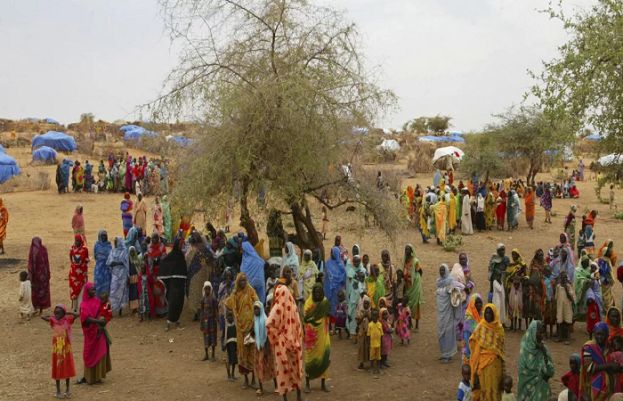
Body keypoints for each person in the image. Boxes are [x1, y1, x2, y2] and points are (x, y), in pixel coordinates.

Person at [266, 268, 305, 401]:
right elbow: (270, 323)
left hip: (289, 340)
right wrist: (279, 336)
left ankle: (292, 397)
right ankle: (295, 397)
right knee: (293, 367)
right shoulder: (284, 296)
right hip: (289, 340)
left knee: (286, 369)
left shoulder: (286, 297)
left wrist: (278, 337)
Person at [225, 272, 259, 388]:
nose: (243, 282)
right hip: (240, 329)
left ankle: (254, 379)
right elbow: (227, 304)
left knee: (252, 352)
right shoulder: (235, 294)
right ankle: (246, 379)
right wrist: (233, 295)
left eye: (245, 280)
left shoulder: (251, 291)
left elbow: (257, 303)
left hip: (251, 327)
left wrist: (255, 322)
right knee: (242, 353)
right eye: (241, 281)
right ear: (238, 282)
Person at [42, 305, 79, 399]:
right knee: (57, 367)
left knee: (67, 366)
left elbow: (77, 314)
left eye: (58, 312)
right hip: (57, 349)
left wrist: (67, 313)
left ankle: (67, 389)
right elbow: (43, 316)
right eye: (55, 312)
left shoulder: (68, 320)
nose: (56, 314)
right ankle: (58, 390)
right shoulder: (53, 320)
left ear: (63, 313)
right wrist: (53, 316)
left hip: (66, 349)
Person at [77, 283, 111, 385]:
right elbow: (85, 319)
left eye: (94, 289)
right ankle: (89, 377)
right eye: (92, 290)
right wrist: (97, 322)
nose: (94, 291)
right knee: (89, 353)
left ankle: (98, 376)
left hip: (99, 332)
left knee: (100, 352)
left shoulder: (97, 301)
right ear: (87, 292)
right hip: (90, 333)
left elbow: (103, 312)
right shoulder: (83, 305)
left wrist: (103, 322)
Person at [470, 304, 505, 401]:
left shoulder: (499, 329)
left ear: (494, 314)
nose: (488, 315)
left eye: (490, 313)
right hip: (482, 365)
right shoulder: (481, 327)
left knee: (495, 390)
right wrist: (475, 371)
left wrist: (503, 372)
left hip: (495, 366)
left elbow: (502, 351)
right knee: (484, 390)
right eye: (486, 312)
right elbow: (474, 344)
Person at [580, 322, 620, 401]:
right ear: (594, 334)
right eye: (598, 334)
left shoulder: (609, 347)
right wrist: (608, 366)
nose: (600, 337)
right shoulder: (588, 347)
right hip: (592, 386)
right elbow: (589, 368)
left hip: (609, 387)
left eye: (602, 334)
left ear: (607, 335)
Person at [303, 283, 331, 393]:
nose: (318, 294)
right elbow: (306, 318)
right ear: (313, 292)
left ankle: (323, 384)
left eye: (320, 292)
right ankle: (307, 383)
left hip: (323, 335)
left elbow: (327, 314)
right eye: (316, 292)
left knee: (324, 356)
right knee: (309, 358)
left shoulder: (324, 302)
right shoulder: (309, 303)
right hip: (311, 336)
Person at [517, 320, 554, 401]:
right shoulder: (524, 349)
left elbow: (551, 372)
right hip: (527, 390)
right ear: (533, 332)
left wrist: (544, 354)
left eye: (543, 333)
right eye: (540, 333)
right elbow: (522, 373)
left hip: (540, 389)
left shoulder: (544, 349)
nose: (542, 336)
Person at [159, 236, 188, 330]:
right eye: (179, 244)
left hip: (180, 283)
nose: (181, 246)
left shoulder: (181, 255)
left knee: (180, 301)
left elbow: (183, 268)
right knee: (173, 301)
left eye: (181, 244)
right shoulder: (171, 255)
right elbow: (164, 263)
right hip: (173, 284)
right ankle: (169, 322)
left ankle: (176, 320)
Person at [437, 264, 461, 362]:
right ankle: (444, 353)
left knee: (448, 333)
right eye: (440, 270)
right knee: (440, 332)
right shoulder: (438, 282)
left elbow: (456, 294)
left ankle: (448, 354)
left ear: (446, 271)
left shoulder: (450, 282)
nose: (442, 272)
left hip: (448, 313)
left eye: (443, 270)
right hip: (440, 313)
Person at [252, 300, 275, 396]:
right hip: (258, 347)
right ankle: (261, 388)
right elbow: (254, 333)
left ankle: (277, 385)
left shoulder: (264, 320)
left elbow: (267, 336)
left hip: (266, 347)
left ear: (261, 309)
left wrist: (265, 349)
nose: (256, 311)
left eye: (257, 309)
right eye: (254, 309)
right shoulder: (255, 320)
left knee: (270, 366)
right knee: (259, 367)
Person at [106, 237, 129, 316]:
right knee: (113, 290)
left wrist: (116, 263)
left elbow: (126, 263)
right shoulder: (113, 251)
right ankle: (114, 308)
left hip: (123, 274)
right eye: (115, 242)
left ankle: (121, 310)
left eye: (116, 242)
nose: (115, 244)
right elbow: (109, 262)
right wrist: (112, 264)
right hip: (115, 274)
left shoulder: (125, 251)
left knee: (122, 291)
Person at [28, 237, 51, 314]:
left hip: (36, 277)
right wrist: (48, 273)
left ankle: (35, 307)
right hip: (43, 276)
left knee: (35, 292)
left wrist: (30, 276)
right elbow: (47, 262)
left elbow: (31, 265)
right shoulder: (44, 249)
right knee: (43, 292)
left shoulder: (33, 251)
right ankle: (41, 308)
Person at [324, 245, 346, 325]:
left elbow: (343, 277)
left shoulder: (341, 264)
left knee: (337, 308)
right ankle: (329, 325)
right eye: (331, 252)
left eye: (332, 252)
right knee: (329, 307)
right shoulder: (328, 263)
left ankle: (337, 325)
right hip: (328, 289)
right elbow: (326, 275)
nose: (331, 254)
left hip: (337, 290)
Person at [489, 244, 510, 325]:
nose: (503, 252)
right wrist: (491, 286)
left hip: (503, 282)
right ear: (497, 251)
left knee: (503, 303)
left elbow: (508, 270)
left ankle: (503, 321)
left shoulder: (506, 259)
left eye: (503, 250)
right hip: (495, 283)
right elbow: (491, 273)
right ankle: (495, 321)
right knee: (496, 302)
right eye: (501, 250)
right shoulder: (494, 260)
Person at [69, 235, 89, 312]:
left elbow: (86, 260)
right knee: (74, 291)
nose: (76, 242)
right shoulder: (72, 249)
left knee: (81, 291)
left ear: (81, 241)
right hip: (74, 274)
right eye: (76, 241)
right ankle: (75, 308)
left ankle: (81, 309)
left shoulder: (85, 249)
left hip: (82, 275)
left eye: (78, 241)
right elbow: (71, 260)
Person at [200, 281, 218, 361]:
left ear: (210, 289)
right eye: (206, 289)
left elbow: (215, 309)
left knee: (213, 337)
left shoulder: (213, 299)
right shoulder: (203, 299)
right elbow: (202, 310)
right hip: (205, 321)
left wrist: (216, 319)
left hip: (212, 321)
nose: (207, 290)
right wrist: (201, 322)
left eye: (208, 289)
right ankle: (206, 354)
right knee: (206, 337)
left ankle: (213, 355)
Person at [463, 293, 483, 364]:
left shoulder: (483, 314)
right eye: (476, 303)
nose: (479, 305)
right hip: (470, 346)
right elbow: (466, 336)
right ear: (472, 304)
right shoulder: (469, 317)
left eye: (480, 302)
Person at [556, 271, 575, 344]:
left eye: (565, 278)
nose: (563, 279)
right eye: (562, 278)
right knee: (560, 322)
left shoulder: (569, 286)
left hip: (567, 307)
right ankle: (560, 337)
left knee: (567, 322)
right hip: (560, 306)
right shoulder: (558, 286)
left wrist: (566, 289)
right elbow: (556, 297)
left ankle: (568, 338)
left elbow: (572, 298)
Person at [93, 230, 113, 298]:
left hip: (107, 270)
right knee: (98, 284)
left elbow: (111, 257)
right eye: (102, 236)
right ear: (99, 237)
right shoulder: (96, 245)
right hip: (99, 269)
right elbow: (95, 256)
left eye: (105, 235)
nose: (104, 237)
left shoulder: (109, 245)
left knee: (106, 286)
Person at [357, 295, 372, 369]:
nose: (366, 305)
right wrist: (363, 316)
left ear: (369, 304)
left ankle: (370, 361)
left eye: (367, 303)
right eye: (364, 303)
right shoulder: (360, 311)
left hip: (369, 333)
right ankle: (361, 362)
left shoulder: (370, 311)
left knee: (369, 347)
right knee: (361, 347)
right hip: (362, 332)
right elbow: (358, 322)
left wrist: (368, 315)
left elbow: (372, 320)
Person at [368, 308, 382, 377]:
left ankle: (378, 368)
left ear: (378, 317)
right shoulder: (370, 325)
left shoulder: (380, 324)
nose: (374, 317)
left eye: (375, 316)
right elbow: (368, 335)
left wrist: (381, 343)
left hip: (378, 344)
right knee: (372, 357)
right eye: (373, 316)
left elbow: (381, 334)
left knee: (378, 357)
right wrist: (368, 344)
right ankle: (371, 368)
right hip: (372, 344)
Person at [224, 309, 238, 381]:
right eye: (228, 316)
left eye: (231, 316)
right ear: (226, 317)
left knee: (234, 360)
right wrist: (224, 345)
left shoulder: (235, 325)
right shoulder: (226, 327)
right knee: (228, 360)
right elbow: (223, 336)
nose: (230, 318)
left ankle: (233, 374)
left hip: (234, 345)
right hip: (228, 346)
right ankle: (229, 375)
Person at [127, 246, 140, 313]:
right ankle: (133, 307)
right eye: (130, 251)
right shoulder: (128, 260)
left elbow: (139, 268)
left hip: (136, 277)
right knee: (132, 293)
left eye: (133, 251)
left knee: (136, 292)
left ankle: (136, 307)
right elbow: (127, 269)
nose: (132, 253)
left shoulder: (137, 258)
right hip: (131, 278)